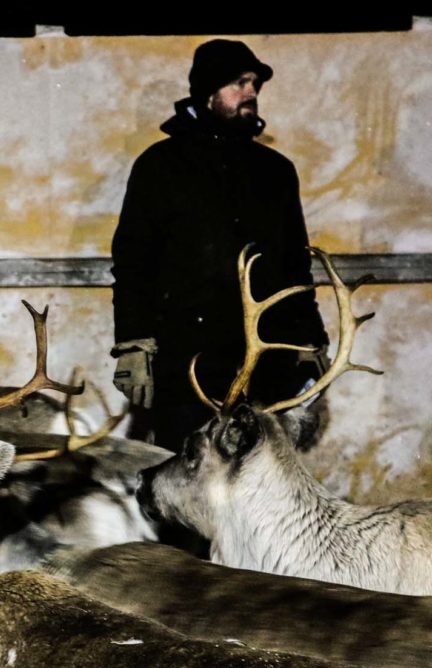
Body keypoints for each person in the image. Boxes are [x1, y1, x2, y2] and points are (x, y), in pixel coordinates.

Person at [109, 39, 329, 452]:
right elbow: (134, 263)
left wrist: (309, 337)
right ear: (207, 93)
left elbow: (295, 266)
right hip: (188, 364)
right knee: (191, 484)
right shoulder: (160, 167)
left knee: (261, 485)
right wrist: (134, 345)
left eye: (254, 85)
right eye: (238, 83)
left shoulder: (276, 172)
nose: (251, 93)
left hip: (265, 362)